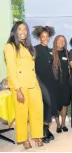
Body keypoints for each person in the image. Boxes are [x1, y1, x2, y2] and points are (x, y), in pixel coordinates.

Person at [4, 21, 44, 149]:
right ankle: (24, 138)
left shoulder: (28, 46)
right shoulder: (10, 46)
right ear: (15, 31)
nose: (23, 32)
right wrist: (17, 90)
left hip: (33, 83)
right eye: (20, 29)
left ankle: (37, 135)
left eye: (25, 29)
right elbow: (11, 69)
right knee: (21, 114)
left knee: (37, 110)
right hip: (19, 85)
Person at [33, 26, 57, 143]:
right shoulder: (34, 49)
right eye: (43, 37)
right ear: (39, 38)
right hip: (39, 81)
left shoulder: (49, 50)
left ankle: (45, 129)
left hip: (50, 81)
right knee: (47, 103)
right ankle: (42, 130)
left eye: (47, 37)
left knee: (48, 106)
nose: (45, 38)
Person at [52, 35, 71, 133]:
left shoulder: (67, 53)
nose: (61, 42)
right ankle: (58, 124)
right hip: (54, 84)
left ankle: (63, 124)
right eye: (59, 40)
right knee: (56, 104)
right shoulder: (51, 53)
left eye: (63, 41)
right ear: (55, 41)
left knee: (65, 104)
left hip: (66, 83)